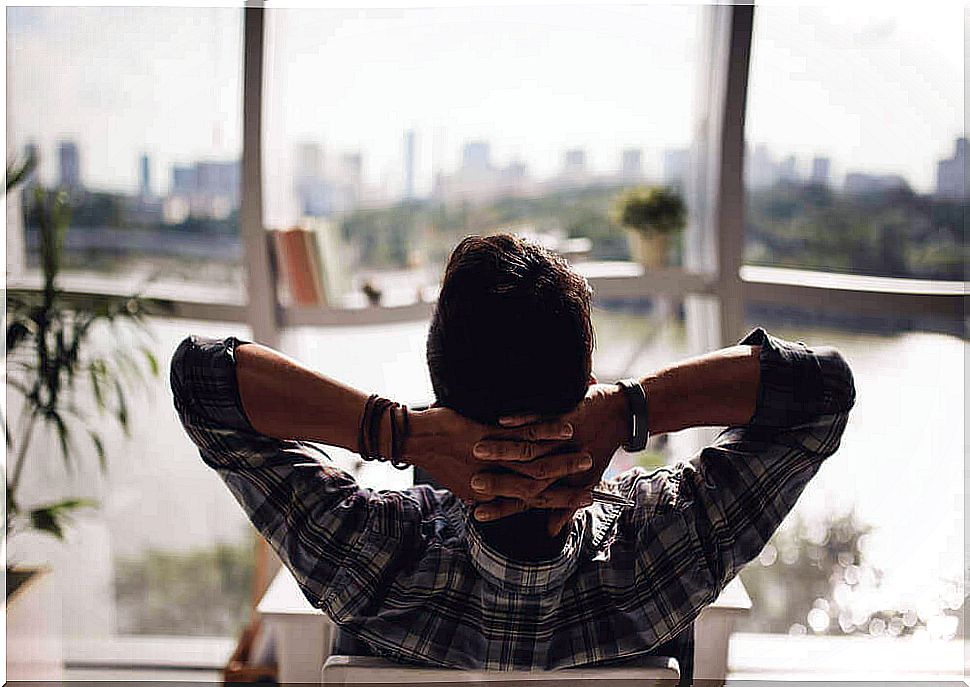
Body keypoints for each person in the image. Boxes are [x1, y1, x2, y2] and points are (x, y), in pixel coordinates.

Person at [171, 234, 855, 676]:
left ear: (440, 389)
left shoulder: (369, 555)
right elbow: (823, 391)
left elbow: (202, 380)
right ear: (585, 384)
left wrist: (399, 433)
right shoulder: (664, 551)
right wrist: (627, 410)